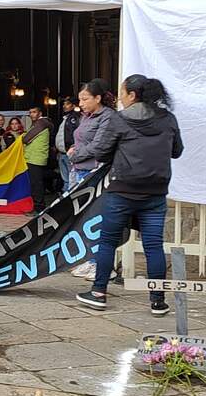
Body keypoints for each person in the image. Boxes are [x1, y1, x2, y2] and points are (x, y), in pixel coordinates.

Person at [75, 75, 183, 315]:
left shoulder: (119, 120)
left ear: (133, 95)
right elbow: (177, 151)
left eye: (122, 92)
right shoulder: (168, 119)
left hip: (122, 191)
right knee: (153, 245)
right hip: (155, 193)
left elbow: (102, 152)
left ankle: (98, 293)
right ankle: (158, 301)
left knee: (108, 242)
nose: (120, 98)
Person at [68, 78, 116, 281]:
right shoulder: (86, 116)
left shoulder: (108, 117)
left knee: (96, 219)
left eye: (85, 99)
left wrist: (76, 154)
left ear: (98, 98)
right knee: (81, 219)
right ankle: (88, 259)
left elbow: (99, 146)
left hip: (93, 172)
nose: (81, 103)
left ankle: (99, 263)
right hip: (78, 171)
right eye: (80, 99)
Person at [22, 107, 53, 212]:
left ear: (40, 113)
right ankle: (37, 205)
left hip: (35, 157)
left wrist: (22, 137)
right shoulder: (40, 123)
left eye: (34, 112)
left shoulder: (41, 123)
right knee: (36, 183)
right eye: (30, 112)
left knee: (36, 184)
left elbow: (26, 139)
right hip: (34, 157)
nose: (31, 114)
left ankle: (39, 207)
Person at [54, 96, 80, 193]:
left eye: (67, 104)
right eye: (64, 104)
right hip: (62, 153)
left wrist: (73, 147)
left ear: (73, 106)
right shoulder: (65, 118)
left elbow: (75, 134)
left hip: (69, 153)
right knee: (65, 178)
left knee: (70, 178)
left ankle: (68, 197)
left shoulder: (74, 118)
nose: (64, 106)